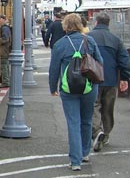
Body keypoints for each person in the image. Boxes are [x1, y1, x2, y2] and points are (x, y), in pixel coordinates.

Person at [48, 13, 103, 171]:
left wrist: (53, 88)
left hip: (68, 88)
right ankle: (85, 153)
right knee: (86, 120)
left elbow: (54, 69)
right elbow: (100, 61)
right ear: (80, 25)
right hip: (89, 87)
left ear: (65, 26)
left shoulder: (60, 44)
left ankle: (75, 161)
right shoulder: (89, 41)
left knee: (73, 122)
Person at [87, 12, 130, 152]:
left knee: (94, 106)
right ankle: (106, 133)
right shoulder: (116, 40)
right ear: (108, 23)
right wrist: (125, 78)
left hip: (92, 77)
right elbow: (124, 60)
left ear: (96, 22)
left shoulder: (88, 38)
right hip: (111, 79)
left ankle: (96, 131)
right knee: (108, 107)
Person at [0, 14, 11, 88]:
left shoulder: (4, 28)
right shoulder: (5, 28)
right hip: (5, 49)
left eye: (0, 19)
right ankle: (6, 80)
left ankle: (5, 81)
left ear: (3, 19)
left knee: (4, 65)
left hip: (3, 49)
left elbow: (5, 39)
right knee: (5, 65)